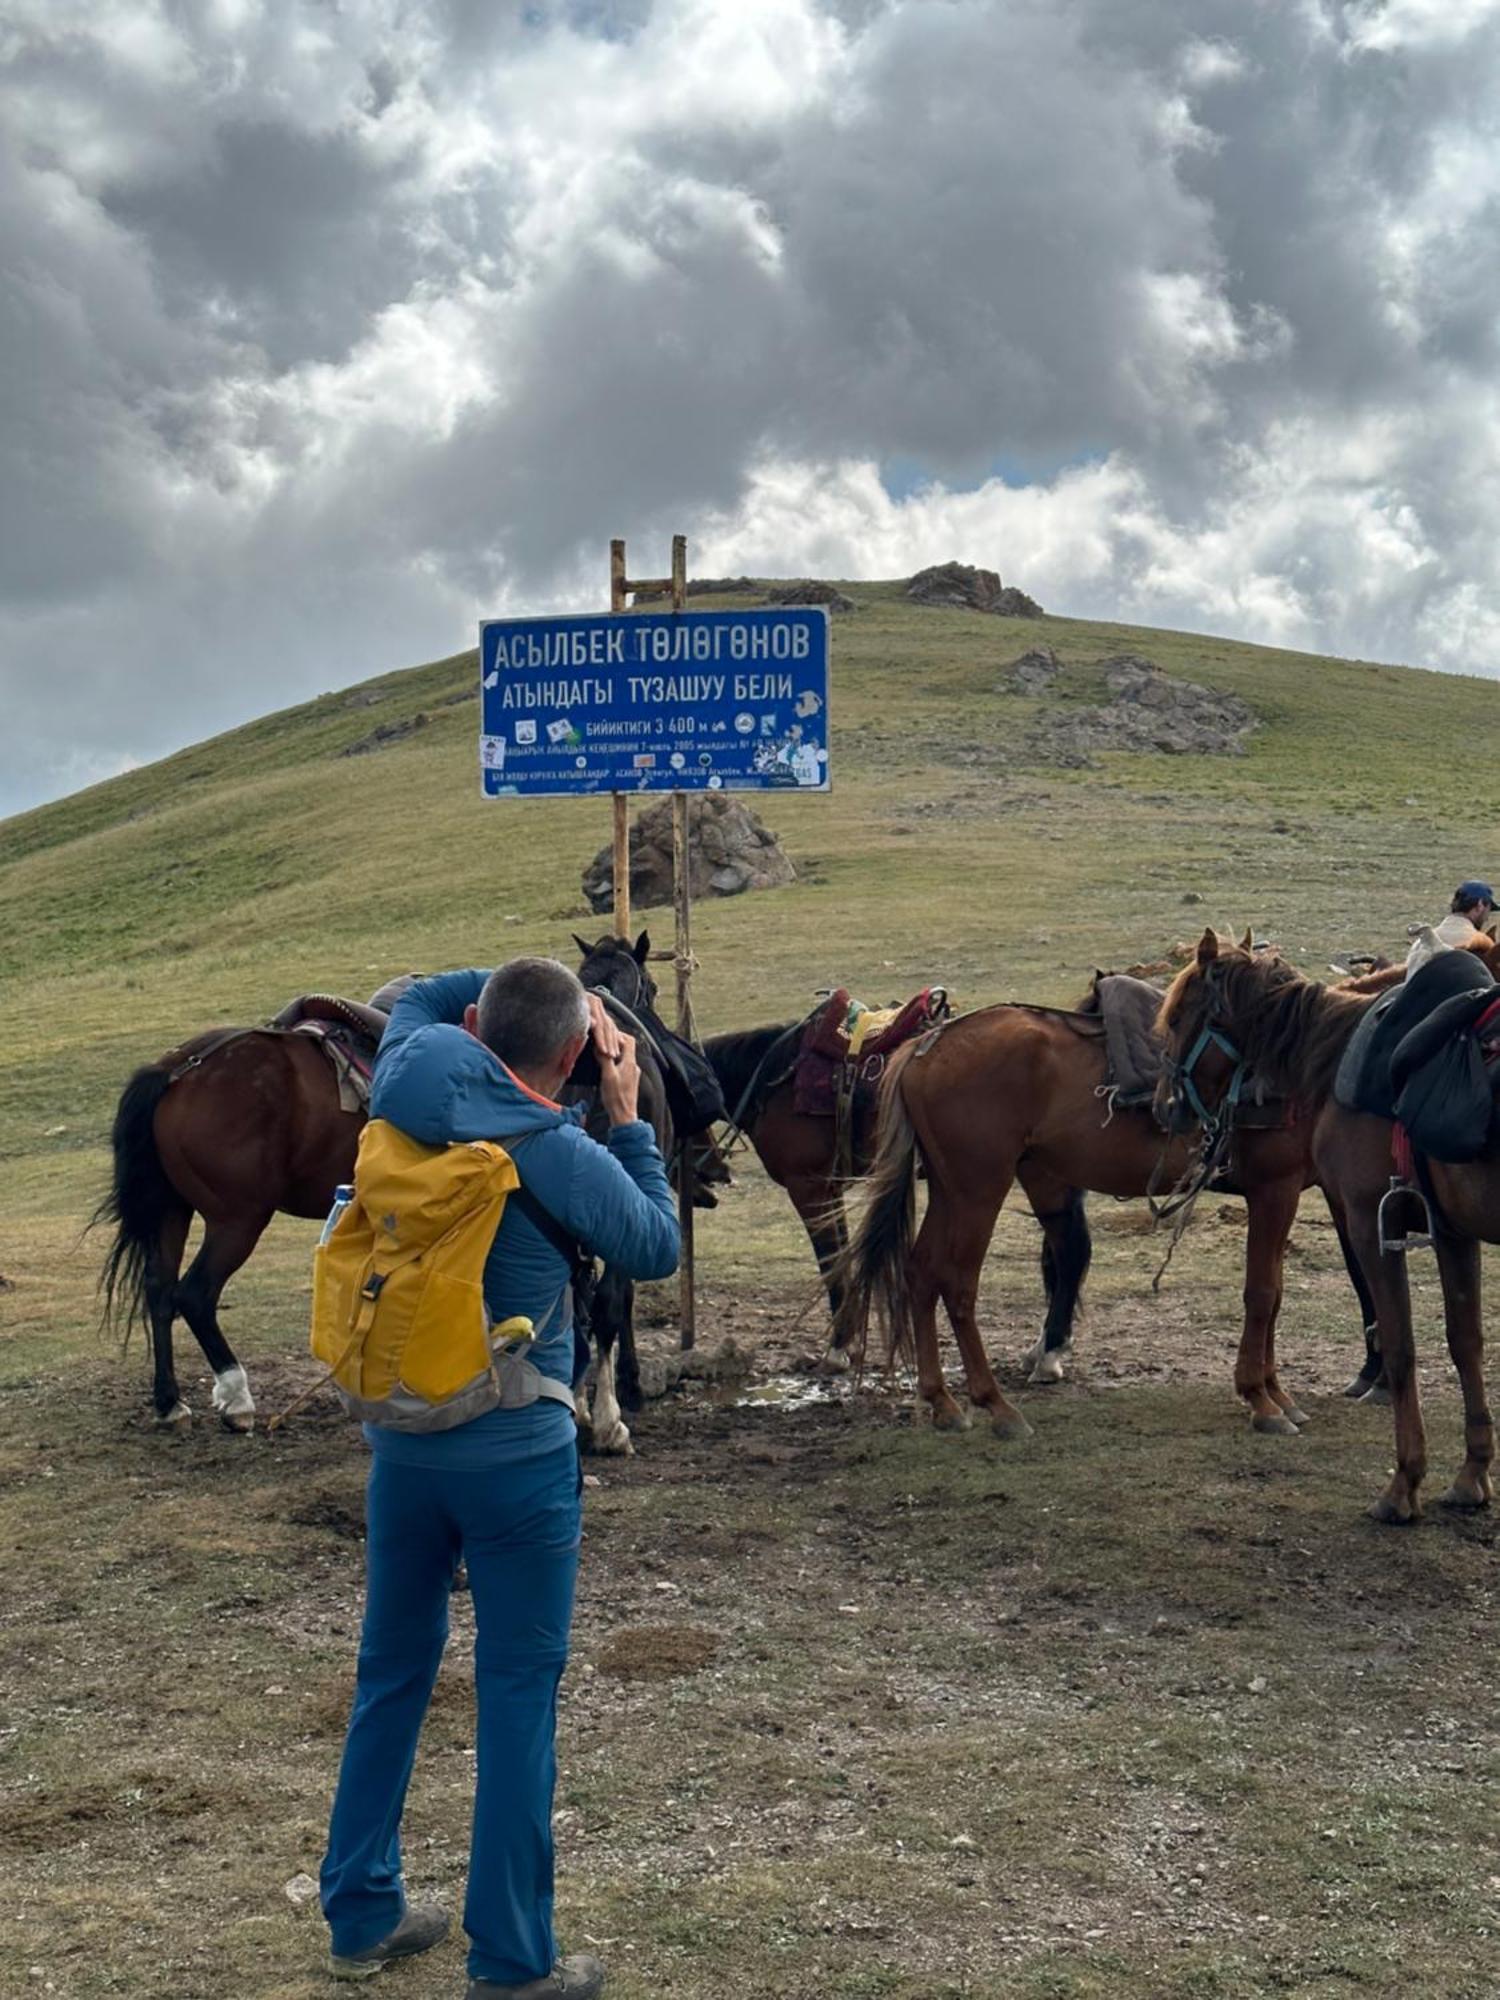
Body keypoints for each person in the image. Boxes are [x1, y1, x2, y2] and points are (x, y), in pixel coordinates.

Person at [319, 959, 679, 1997]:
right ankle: (514, 1958)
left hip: (403, 1439)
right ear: (572, 1054)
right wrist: (626, 1114)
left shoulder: (403, 1077)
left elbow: (430, 994)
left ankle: (362, 1910)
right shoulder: (554, 1147)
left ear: (477, 1026)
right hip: (517, 1450)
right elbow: (653, 1245)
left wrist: (525, 991)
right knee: (517, 1690)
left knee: (391, 1671)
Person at [1434, 880, 1499, 949]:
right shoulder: (1481, 942)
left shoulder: (1427, 939)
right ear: (1480, 905)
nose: (1487, 918)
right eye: (1488, 910)